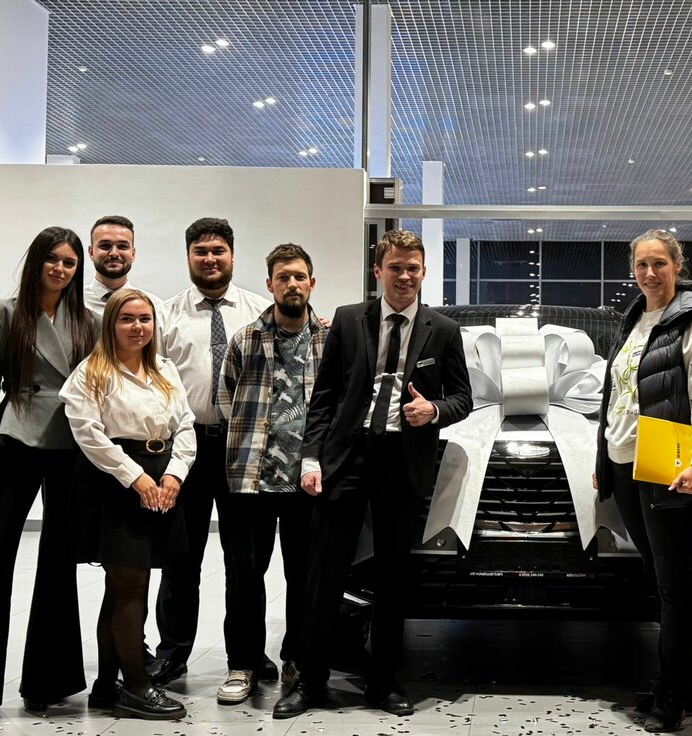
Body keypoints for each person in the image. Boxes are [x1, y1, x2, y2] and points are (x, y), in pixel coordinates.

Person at [273, 229, 473, 719]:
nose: (405, 276)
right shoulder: (348, 319)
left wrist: (435, 410)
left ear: (424, 272)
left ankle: (383, 681)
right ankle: (310, 680)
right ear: (379, 270)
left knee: (392, 577)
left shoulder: (444, 330)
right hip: (347, 457)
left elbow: (463, 398)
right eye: (395, 267)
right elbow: (324, 397)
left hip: (403, 462)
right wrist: (312, 458)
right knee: (324, 573)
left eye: (413, 268)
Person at [593, 229, 692, 732]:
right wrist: (603, 456)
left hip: (669, 464)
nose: (650, 273)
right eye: (642, 265)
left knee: (673, 583)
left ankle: (670, 699)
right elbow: (616, 394)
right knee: (658, 577)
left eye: (659, 264)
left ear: (677, 266)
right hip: (626, 462)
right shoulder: (634, 319)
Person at [0, 227, 98, 713]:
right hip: (17, 437)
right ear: (37, 262)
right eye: (52, 259)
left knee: (59, 563)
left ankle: (49, 683)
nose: (60, 269)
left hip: (72, 445)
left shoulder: (88, 321)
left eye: (69, 262)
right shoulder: (3, 313)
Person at [60, 288, 194, 720]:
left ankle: (106, 685)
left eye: (145, 319)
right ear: (110, 324)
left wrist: (175, 473)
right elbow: (89, 434)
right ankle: (136, 687)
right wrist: (135, 477)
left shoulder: (164, 369)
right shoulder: (92, 371)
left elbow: (185, 425)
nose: (138, 327)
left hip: (162, 477)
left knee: (125, 587)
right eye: (127, 319)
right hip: (114, 484)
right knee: (130, 585)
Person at [150, 217, 273, 685]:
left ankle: (248, 654)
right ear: (188, 257)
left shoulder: (260, 312)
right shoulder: (165, 315)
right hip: (187, 448)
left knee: (246, 561)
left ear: (232, 256)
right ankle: (173, 652)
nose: (210, 259)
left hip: (245, 449)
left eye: (218, 250)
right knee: (181, 559)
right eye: (200, 251)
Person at [214, 244, 328, 705]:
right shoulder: (245, 339)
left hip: (309, 482)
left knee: (304, 577)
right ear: (270, 285)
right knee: (244, 574)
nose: (292, 284)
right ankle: (242, 664)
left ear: (312, 283)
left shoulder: (331, 339)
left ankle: (296, 658)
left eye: (299, 276)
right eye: (283, 277)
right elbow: (226, 399)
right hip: (250, 480)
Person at [83, 215, 163, 316]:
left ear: (133, 254)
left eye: (122, 246)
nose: (114, 254)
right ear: (91, 252)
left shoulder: (155, 307)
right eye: (105, 246)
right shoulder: (71, 303)